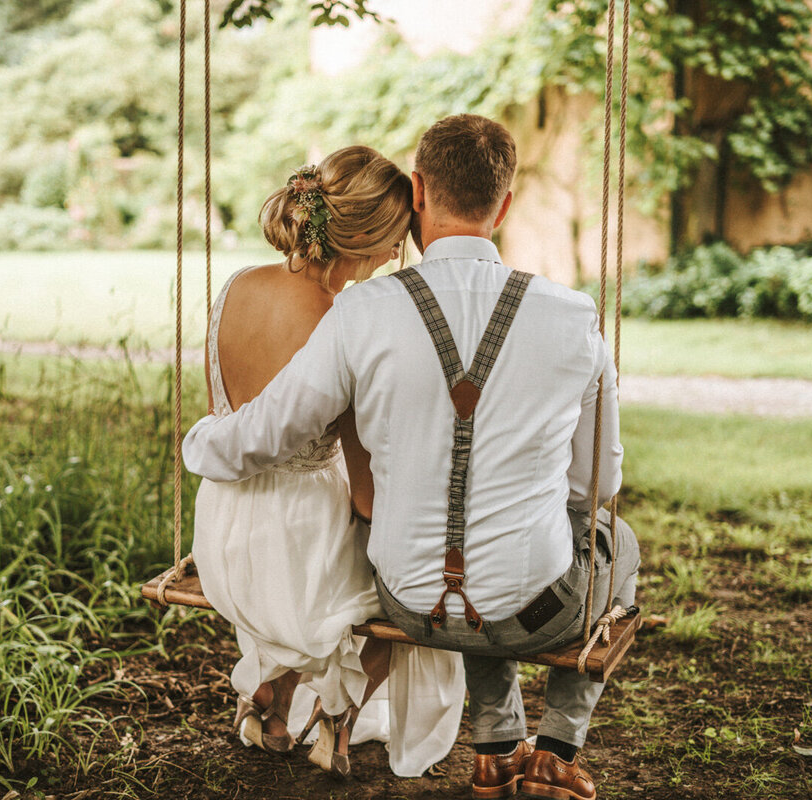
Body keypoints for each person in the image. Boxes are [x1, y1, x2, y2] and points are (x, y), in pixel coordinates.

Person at [184, 115, 641, 800]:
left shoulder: (362, 311)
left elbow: (270, 428)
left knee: (474, 566)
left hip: (410, 603)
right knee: (614, 543)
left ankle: (493, 746)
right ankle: (555, 750)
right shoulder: (574, 316)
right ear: (505, 206)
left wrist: (198, 443)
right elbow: (597, 480)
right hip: (532, 609)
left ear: (419, 193)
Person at [191, 144, 464, 779]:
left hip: (225, 524)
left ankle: (277, 696)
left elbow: (227, 414)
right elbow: (365, 492)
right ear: (368, 241)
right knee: (411, 590)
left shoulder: (236, 287)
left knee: (361, 570)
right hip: (297, 539)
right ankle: (338, 715)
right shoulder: (342, 319)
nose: (395, 259)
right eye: (396, 243)